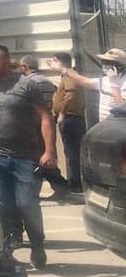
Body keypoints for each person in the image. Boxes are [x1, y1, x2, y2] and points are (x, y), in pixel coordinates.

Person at [0, 44, 57, 268]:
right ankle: (5, 249)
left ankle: (37, 244)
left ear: (7, 62)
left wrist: (49, 151)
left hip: (25, 157)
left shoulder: (26, 84)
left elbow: (46, 117)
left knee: (26, 204)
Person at [18, 56, 70, 199]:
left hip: (34, 123)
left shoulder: (29, 82)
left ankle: (40, 190)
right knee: (43, 156)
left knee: (37, 156)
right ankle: (60, 187)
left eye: (20, 67)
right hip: (46, 121)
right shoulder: (46, 80)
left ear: (25, 67)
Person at [48, 47, 126, 121]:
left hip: (120, 127)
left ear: (119, 66)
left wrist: (114, 85)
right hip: (105, 126)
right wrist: (63, 69)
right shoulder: (105, 80)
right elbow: (82, 80)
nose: (105, 65)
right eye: (104, 62)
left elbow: (122, 106)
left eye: (109, 62)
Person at [50, 52, 85, 193]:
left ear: (61, 62)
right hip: (71, 119)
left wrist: (62, 114)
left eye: (54, 60)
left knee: (72, 152)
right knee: (71, 151)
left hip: (71, 119)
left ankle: (76, 183)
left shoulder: (70, 75)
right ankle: (75, 181)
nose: (51, 63)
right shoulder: (66, 76)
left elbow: (70, 95)